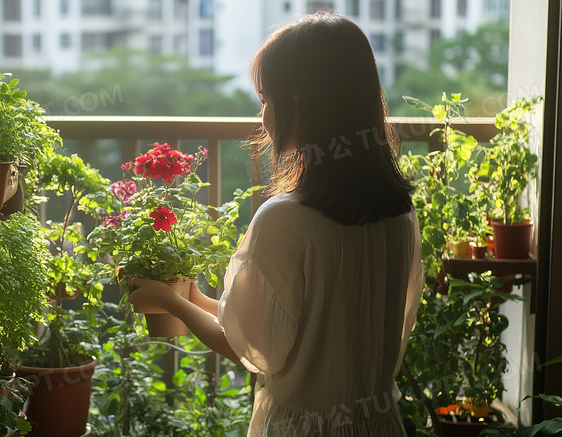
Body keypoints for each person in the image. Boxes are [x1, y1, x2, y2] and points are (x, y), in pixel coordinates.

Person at [127, 11, 424, 436]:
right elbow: (301, 327)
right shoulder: (399, 213)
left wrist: (172, 303)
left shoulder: (286, 218)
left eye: (266, 99)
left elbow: (252, 348)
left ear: (298, 103)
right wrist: (195, 297)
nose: (263, 115)